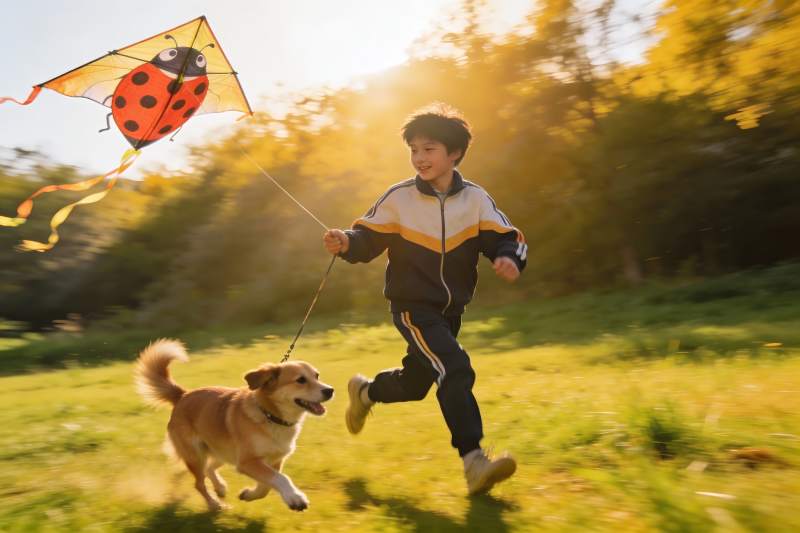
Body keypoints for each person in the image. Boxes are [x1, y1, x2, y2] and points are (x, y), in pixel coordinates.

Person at [323, 103, 527, 495]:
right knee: (454, 367)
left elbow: (506, 236)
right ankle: (474, 462)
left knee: (417, 384)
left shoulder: (475, 200)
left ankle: (365, 392)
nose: (419, 157)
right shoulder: (399, 198)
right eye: (414, 149)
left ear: (455, 153)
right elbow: (366, 237)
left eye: (429, 149)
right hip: (412, 307)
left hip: (451, 311)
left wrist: (508, 258)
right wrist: (346, 242)